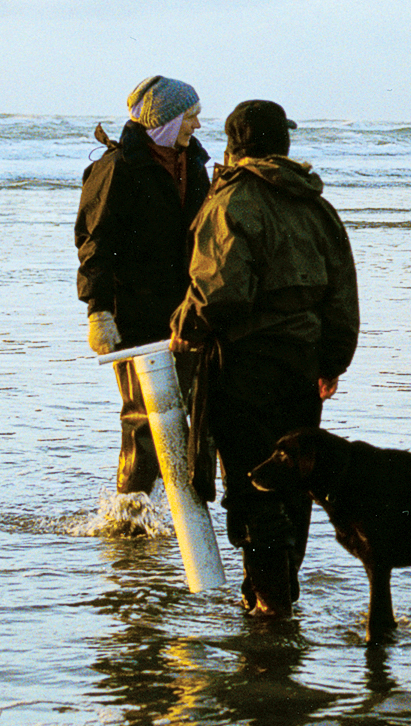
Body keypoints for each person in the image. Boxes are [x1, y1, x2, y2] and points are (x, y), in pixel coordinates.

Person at [170, 101, 360, 617]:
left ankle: (270, 602)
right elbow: (343, 292)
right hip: (301, 364)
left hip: (244, 363)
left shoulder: (232, 200)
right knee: (293, 481)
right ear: (282, 144)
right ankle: (278, 592)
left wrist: (183, 330)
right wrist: (332, 362)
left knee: (254, 482)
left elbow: (220, 291)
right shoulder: (315, 205)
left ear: (235, 144)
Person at [75, 75, 215, 501]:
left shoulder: (192, 165)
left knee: (184, 416)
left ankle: (171, 515)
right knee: (142, 419)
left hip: (183, 312)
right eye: (190, 116)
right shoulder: (116, 169)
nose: (196, 125)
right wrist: (98, 311)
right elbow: (94, 242)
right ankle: (129, 515)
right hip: (132, 313)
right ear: (166, 120)